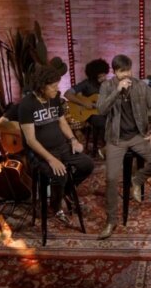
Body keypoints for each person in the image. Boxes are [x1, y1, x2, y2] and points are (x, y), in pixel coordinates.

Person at [96, 54, 151, 240]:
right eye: (121, 71)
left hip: (138, 136)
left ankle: (137, 180)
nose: (126, 74)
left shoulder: (141, 86)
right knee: (111, 178)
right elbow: (101, 110)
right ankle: (111, 220)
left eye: (128, 70)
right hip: (116, 139)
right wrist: (117, 91)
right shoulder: (107, 86)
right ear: (115, 72)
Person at [19, 65, 95, 225]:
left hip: (62, 146)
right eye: (53, 86)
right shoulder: (27, 104)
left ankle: (65, 191)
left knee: (87, 164)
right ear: (42, 87)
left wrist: (73, 140)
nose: (57, 89)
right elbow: (30, 140)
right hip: (41, 153)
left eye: (57, 85)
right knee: (60, 174)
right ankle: (55, 205)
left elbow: (62, 122)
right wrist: (51, 159)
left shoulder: (54, 99)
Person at [64, 58, 109, 154]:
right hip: (89, 114)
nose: (103, 78)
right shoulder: (86, 84)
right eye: (100, 76)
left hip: (103, 111)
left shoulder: (107, 84)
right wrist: (84, 103)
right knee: (102, 122)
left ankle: (111, 147)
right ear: (93, 76)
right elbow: (67, 94)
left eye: (104, 75)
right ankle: (105, 147)